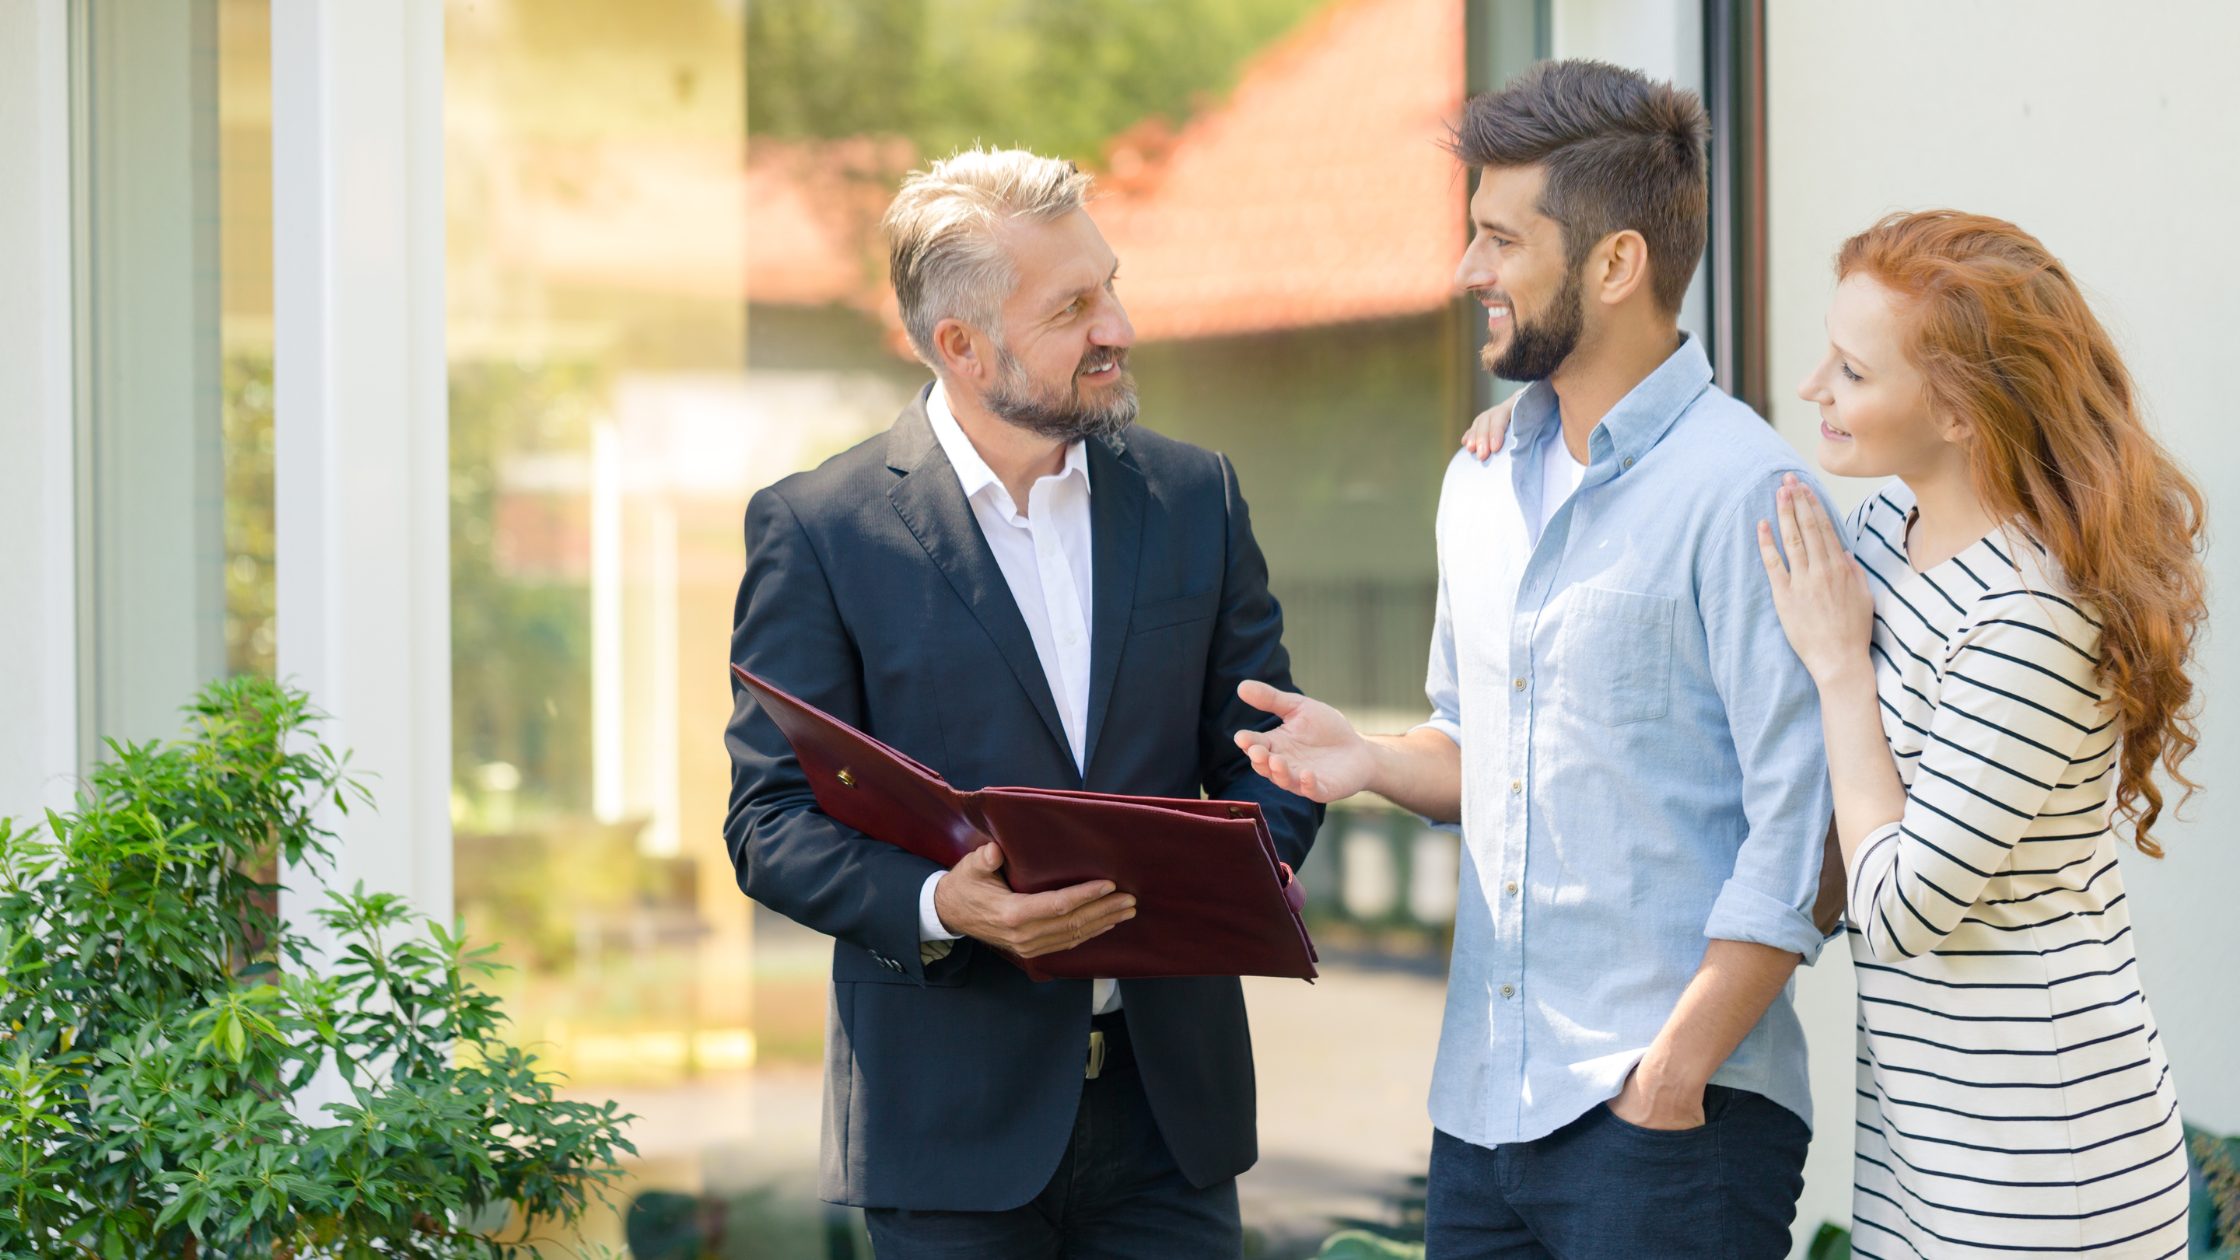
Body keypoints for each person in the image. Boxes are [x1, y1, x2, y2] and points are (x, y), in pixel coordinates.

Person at [1234, 61, 1836, 1258]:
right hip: (1482, 1119)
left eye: (1498, 240)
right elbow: (1478, 747)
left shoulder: (1744, 494)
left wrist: (1670, 1077)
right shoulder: (1480, 482)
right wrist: (1369, 760)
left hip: (1672, 1124)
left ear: (1614, 264)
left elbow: (1800, 830)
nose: (1466, 273)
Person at [720, 147, 1321, 1259]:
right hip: (944, 1134)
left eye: (1112, 285)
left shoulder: (1197, 497)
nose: (1119, 327)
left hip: (1166, 1123)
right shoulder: (820, 528)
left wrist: (1236, 875)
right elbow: (767, 824)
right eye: (1073, 307)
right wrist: (947, 904)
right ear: (960, 344)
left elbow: (1267, 751)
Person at [1759, 210, 2200, 1257]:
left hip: (2044, 1163)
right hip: (1922, 1145)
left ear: (1957, 411)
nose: (1813, 386)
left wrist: (1837, 672)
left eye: (1852, 371)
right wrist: (1541, 426)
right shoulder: (1881, 535)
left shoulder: (2032, 616)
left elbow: (1904, 908)